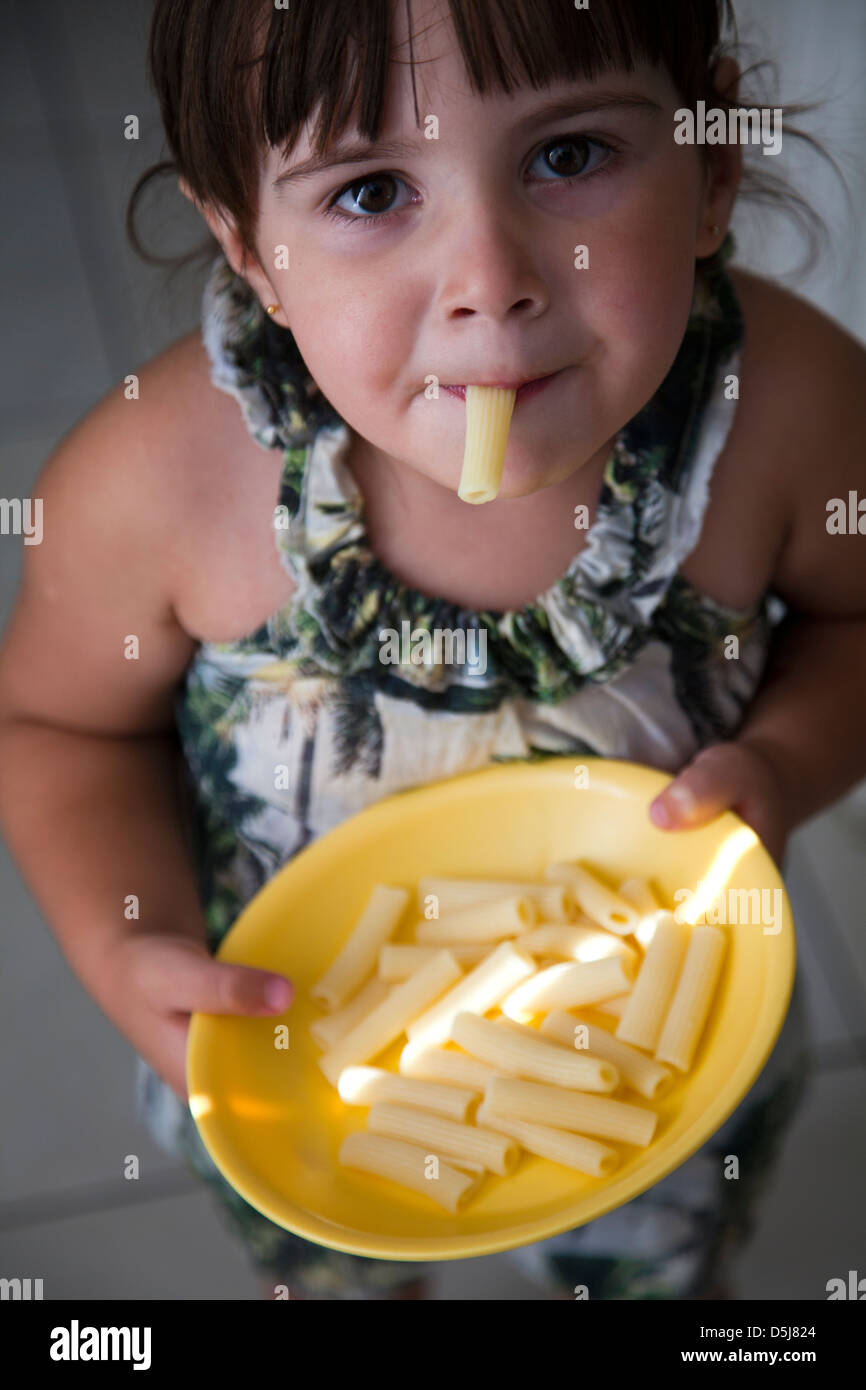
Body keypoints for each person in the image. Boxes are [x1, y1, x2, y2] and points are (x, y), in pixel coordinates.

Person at [1, 0, 863, 1301]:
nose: (488, 278)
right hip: (307, 1047)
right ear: (248, 249)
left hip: (648, 1054)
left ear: (708, 171)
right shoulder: (154, 488)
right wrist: (128, 941)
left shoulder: (786, 414)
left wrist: (785, 766)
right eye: (369, 191)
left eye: (566, 156)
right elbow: (58, 729)